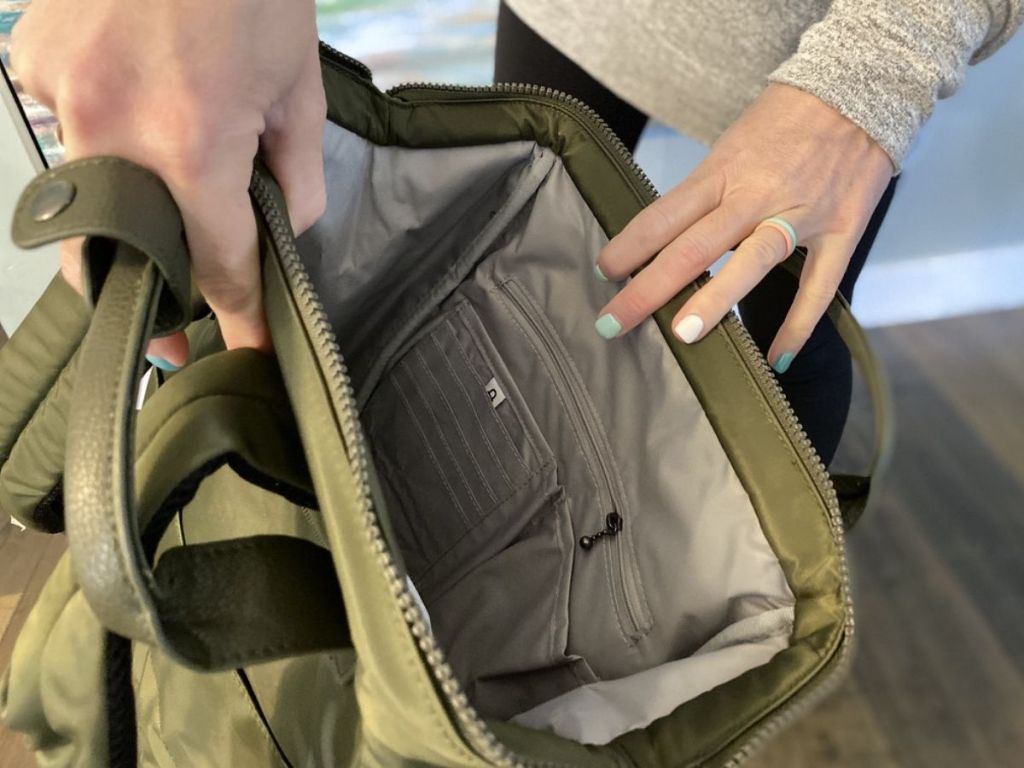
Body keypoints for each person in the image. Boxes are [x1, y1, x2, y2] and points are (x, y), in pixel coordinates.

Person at [9, 0, 1022, 463]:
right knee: (515, 273)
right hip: (570, 14)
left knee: (769, 359)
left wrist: (877, 71)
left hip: (820, 70)